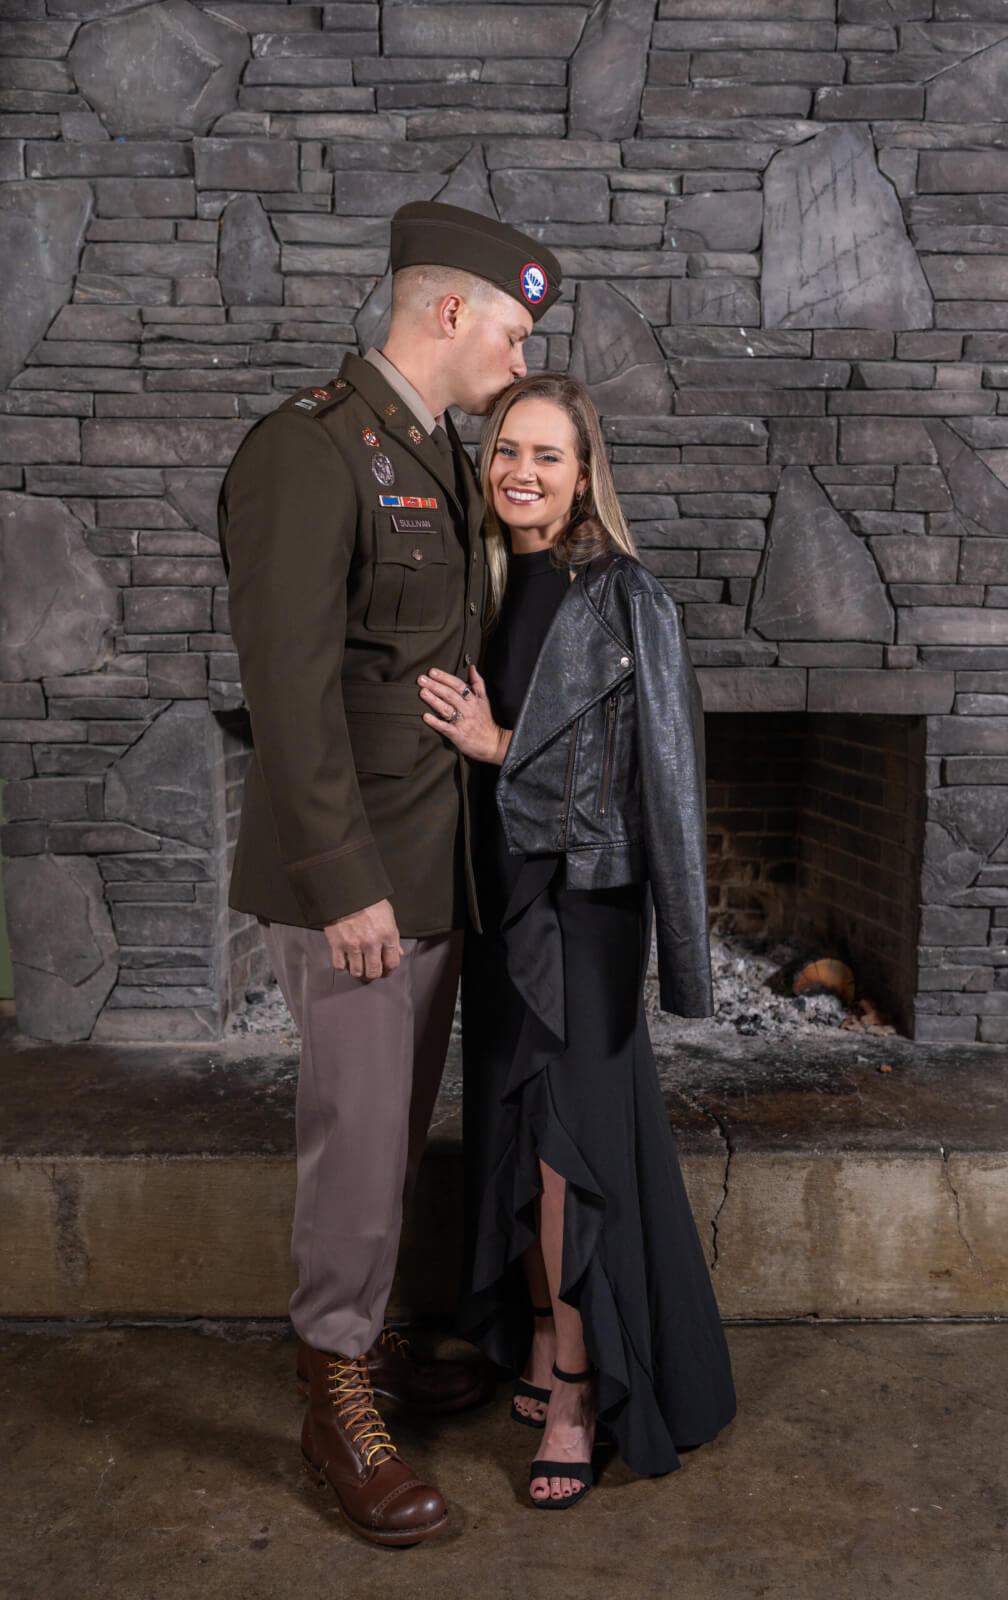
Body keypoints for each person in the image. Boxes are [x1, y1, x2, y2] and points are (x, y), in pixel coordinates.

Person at [218, 203, 562, 1547]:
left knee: (389, 1139)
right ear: (449, 313)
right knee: (357, 1144)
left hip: (428, 870)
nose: (524, 355)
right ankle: (332, 1398)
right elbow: (288, 693)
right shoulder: (311, 452)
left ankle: (358, 1346)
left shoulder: (427, 447)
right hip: (358, 879)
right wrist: (343, 880)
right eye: (516, 329)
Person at [417, 374, 736, 1511]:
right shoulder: (490, 583)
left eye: (549, 456)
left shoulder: (625, 595)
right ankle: (554, 1343)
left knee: (569, 1152)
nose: (523, 473)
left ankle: (578, 1386)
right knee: (518, 1123)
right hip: (508, 898)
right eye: (509, 450)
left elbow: (651, 783)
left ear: (585, 469)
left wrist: (501, 745)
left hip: (586, 907)